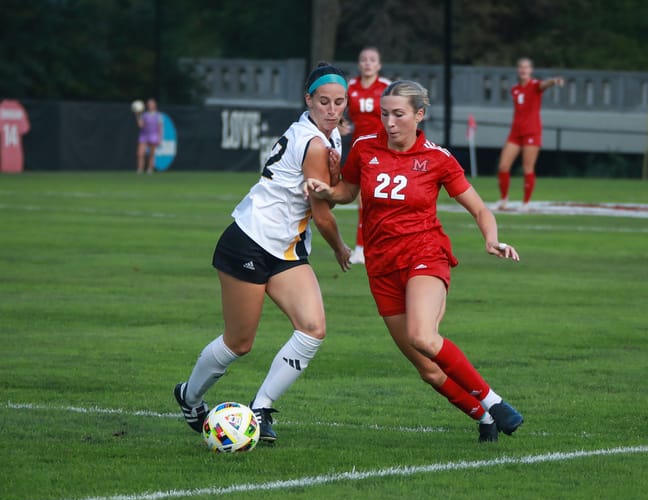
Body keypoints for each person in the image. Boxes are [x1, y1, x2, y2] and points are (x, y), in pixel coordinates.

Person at [307, 80, 523, 443]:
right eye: (384, 114)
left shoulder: (438, 158)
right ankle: (484, 416)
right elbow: (348, 192)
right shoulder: (364, 147)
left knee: (422, 336)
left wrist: (491, 239)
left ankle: (494, 400)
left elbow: (479, 208)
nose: (389, 122)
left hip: (425, 254)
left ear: (419, 115)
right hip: (381, 265)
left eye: (398, 114)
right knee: (427, 369)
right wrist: (329, 191)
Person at [174, 63, 352, 443]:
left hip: (285, 248)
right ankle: (189, 397)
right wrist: (340, 247)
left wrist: (333, 182)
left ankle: (261, 408)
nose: (332, 110)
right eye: (324, 102)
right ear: (308, 100)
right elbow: (322, 216)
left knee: (312, 329)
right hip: (250, 240)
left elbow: (324, 200)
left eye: (339, 102)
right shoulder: (316, 143)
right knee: (239, 342)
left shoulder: (332, 136)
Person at [496, 58, 564, 211]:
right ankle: (503, 200)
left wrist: (554, 81)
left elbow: (544, 85)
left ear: (531, 70)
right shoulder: (514, 89)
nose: (523, 70)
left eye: (526, 67)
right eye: (521, 67)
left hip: (531, 132)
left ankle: (526, 203)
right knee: (503, 166)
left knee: (528, 168)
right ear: (517, 70)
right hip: (515, 132)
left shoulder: (535, 85)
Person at [344, 47, 391, 265]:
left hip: (383, 148)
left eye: (372, 60)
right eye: (363, 59)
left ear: (379, 65)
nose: (367, 63)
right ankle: (362, 248)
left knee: (381, 198)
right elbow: (339, 112)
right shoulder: (350, 87)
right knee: (363, 200)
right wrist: (340, 124)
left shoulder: (386, 87)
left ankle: (370, 247)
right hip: (359, 149)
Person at [136, 98, 163, 174]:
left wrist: (160, 139)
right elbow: (140, 125)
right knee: (140, 153)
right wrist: (137, 115)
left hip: (154, 135)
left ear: (155, 105)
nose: (150, 105)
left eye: (152, 104)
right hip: (144, 135)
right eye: (149, 104)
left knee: (151, 154)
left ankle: (150, 169)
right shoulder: (144, 115)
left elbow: (160, 128)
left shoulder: (159, 115)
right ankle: (140, 169)